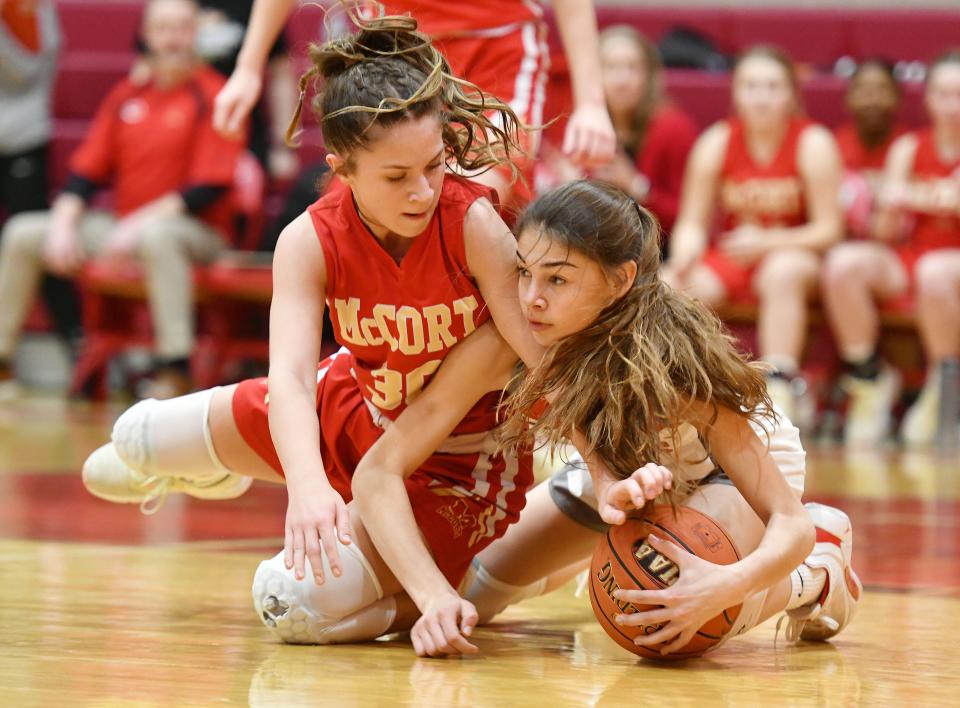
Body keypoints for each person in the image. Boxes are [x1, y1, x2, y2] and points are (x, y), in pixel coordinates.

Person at [80, 14, 566, 657]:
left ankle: (468, 579)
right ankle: (212, 471)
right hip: (352, 403)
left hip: (454, 462)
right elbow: (286, 376)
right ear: (343, 168)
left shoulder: (472, 222)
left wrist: (614, 454)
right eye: (397, 177)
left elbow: (549, 360)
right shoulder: (308, 239)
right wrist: (307, 487)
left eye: (433, 165)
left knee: (297, 603)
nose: (422, 191)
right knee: (128, 443)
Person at [456, 180, 861, 657]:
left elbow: (791, 525)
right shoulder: (538, 327)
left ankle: (815, 571)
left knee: (666, 620)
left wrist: (725, 587)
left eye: (557, 278)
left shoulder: (671, 362)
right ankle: (594, 556)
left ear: (621, 280)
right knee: (470, 593)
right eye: (525, 272)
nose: (531, 298)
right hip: (629, 476)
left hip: (725, 472)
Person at [0, 0, 245, 399]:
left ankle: (174, 367)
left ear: (195, 34)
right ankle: (3, 363)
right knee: (24, 231)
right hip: (124, 228)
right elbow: (85, 173)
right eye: (163, 28)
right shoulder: (127, 94)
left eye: (182, 27)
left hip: (199, 234)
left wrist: (138, 224)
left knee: (158, 237)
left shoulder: (215, 95)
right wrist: (63, 223)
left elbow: (206, 189)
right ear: (146, 36)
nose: (172, 38)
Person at [211, 0, 616, 208]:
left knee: (466, 201)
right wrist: (247, 67)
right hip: (395, 58)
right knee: (342, 214)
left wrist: (592, 102)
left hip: (495, 57)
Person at [663, 46, 844, 426]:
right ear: (735, 94)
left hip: (798, 256)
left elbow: (830, 230)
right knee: (668, 283)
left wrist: (768, 242)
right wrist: (684, 254)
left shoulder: (814, 143)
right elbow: (692, 222)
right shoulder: (717, 140)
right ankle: (673, 390)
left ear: (792, 95)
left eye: (772, 87)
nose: (761, 97)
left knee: (781, 270)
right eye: (751, 86)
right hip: (737, 256)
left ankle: (779, 387)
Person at [822, 50, 960, 448]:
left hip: (946, 263)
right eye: (943, 95)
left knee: (935, 271)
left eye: (958, 94)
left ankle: (942, 385)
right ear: (929, 99)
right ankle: (869, 376)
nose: (951, 105)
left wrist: (927, 197)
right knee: (844, 262)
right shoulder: (909, 148)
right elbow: (885, 232)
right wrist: (887, 207)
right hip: (913, 255)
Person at [538, 25, 697, 246]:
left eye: (633, 67)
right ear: (592, 75)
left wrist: (637, 186)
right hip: (593, 246)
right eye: (611, 67)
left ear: (649, 75)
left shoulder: (674, 128)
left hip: (659, 248)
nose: (622, 80)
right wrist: (567, 185)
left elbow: (690, 218)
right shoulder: (580, 123)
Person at [0, 0, 84, 393]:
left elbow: (31, 67)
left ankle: (74, 342)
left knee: (41, 244)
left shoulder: (31, 7)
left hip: (21, 139)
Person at [834, 59, 907, 239]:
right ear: (848, 98)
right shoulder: (832, 145)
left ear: (898, 98)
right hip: (844, 238)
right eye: (863, 90)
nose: (872, 98)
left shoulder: (909, 145)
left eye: (882, 89)